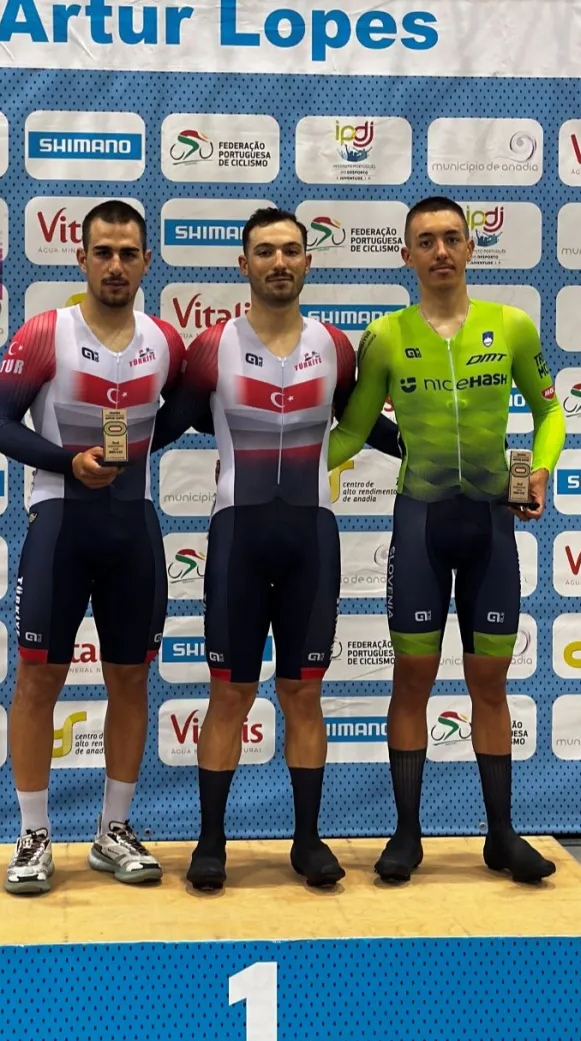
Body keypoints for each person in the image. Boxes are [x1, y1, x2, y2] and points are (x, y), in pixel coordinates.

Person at [151, 207, 401, 891]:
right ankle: (210, 842)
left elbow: (366, 425)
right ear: (244, 265)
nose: (279, 262)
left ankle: (308, 841)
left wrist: (451, 460)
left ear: (308, 263)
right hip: (239, 536)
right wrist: (92, 452)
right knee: (229, 692)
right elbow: (168, 423)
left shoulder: (334, 347)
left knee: (302, 692)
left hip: (311, 540)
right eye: (265, 251)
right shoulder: (213, 347)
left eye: (291, 250)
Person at [326, 195, 565, 885]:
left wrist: (541, 470)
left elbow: (550, 414)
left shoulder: (511, 326)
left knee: (489, 683)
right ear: (406, 255)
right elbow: (352, 430)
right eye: (426, 241)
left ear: (470, 248)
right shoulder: (384, 336)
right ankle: (407, 834)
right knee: (412, 679)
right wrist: (283, 467)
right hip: (421, 526)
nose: (440, 251)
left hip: (489, 526)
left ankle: (501, 835)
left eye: (451, 238)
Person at [0, 199, 184, 894]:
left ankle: (113, 830)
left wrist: (143, 446)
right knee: (39, 679)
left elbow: (189, 408)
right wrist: (67, 462)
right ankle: (34, 834)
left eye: (128, 254)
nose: (115, 266)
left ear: (146, 262)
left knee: (130, 680)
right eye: (103, 253)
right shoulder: (47, 332)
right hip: (60, 526)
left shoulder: (164, 340)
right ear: (81, 259)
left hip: (133, 530)